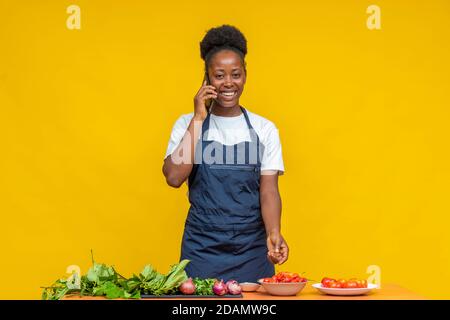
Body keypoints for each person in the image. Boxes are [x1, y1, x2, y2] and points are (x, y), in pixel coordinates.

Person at [163, 25, 288, 282]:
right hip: (201, 250)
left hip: (252, 250)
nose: (228, 83)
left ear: (245, 75)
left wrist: (274, 232)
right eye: (219, 75)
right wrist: (199, 117)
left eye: (236, 74)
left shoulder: (265, 129)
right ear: (207, 79)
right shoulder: (187, 124)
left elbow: (268, 191)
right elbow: (174, 177)